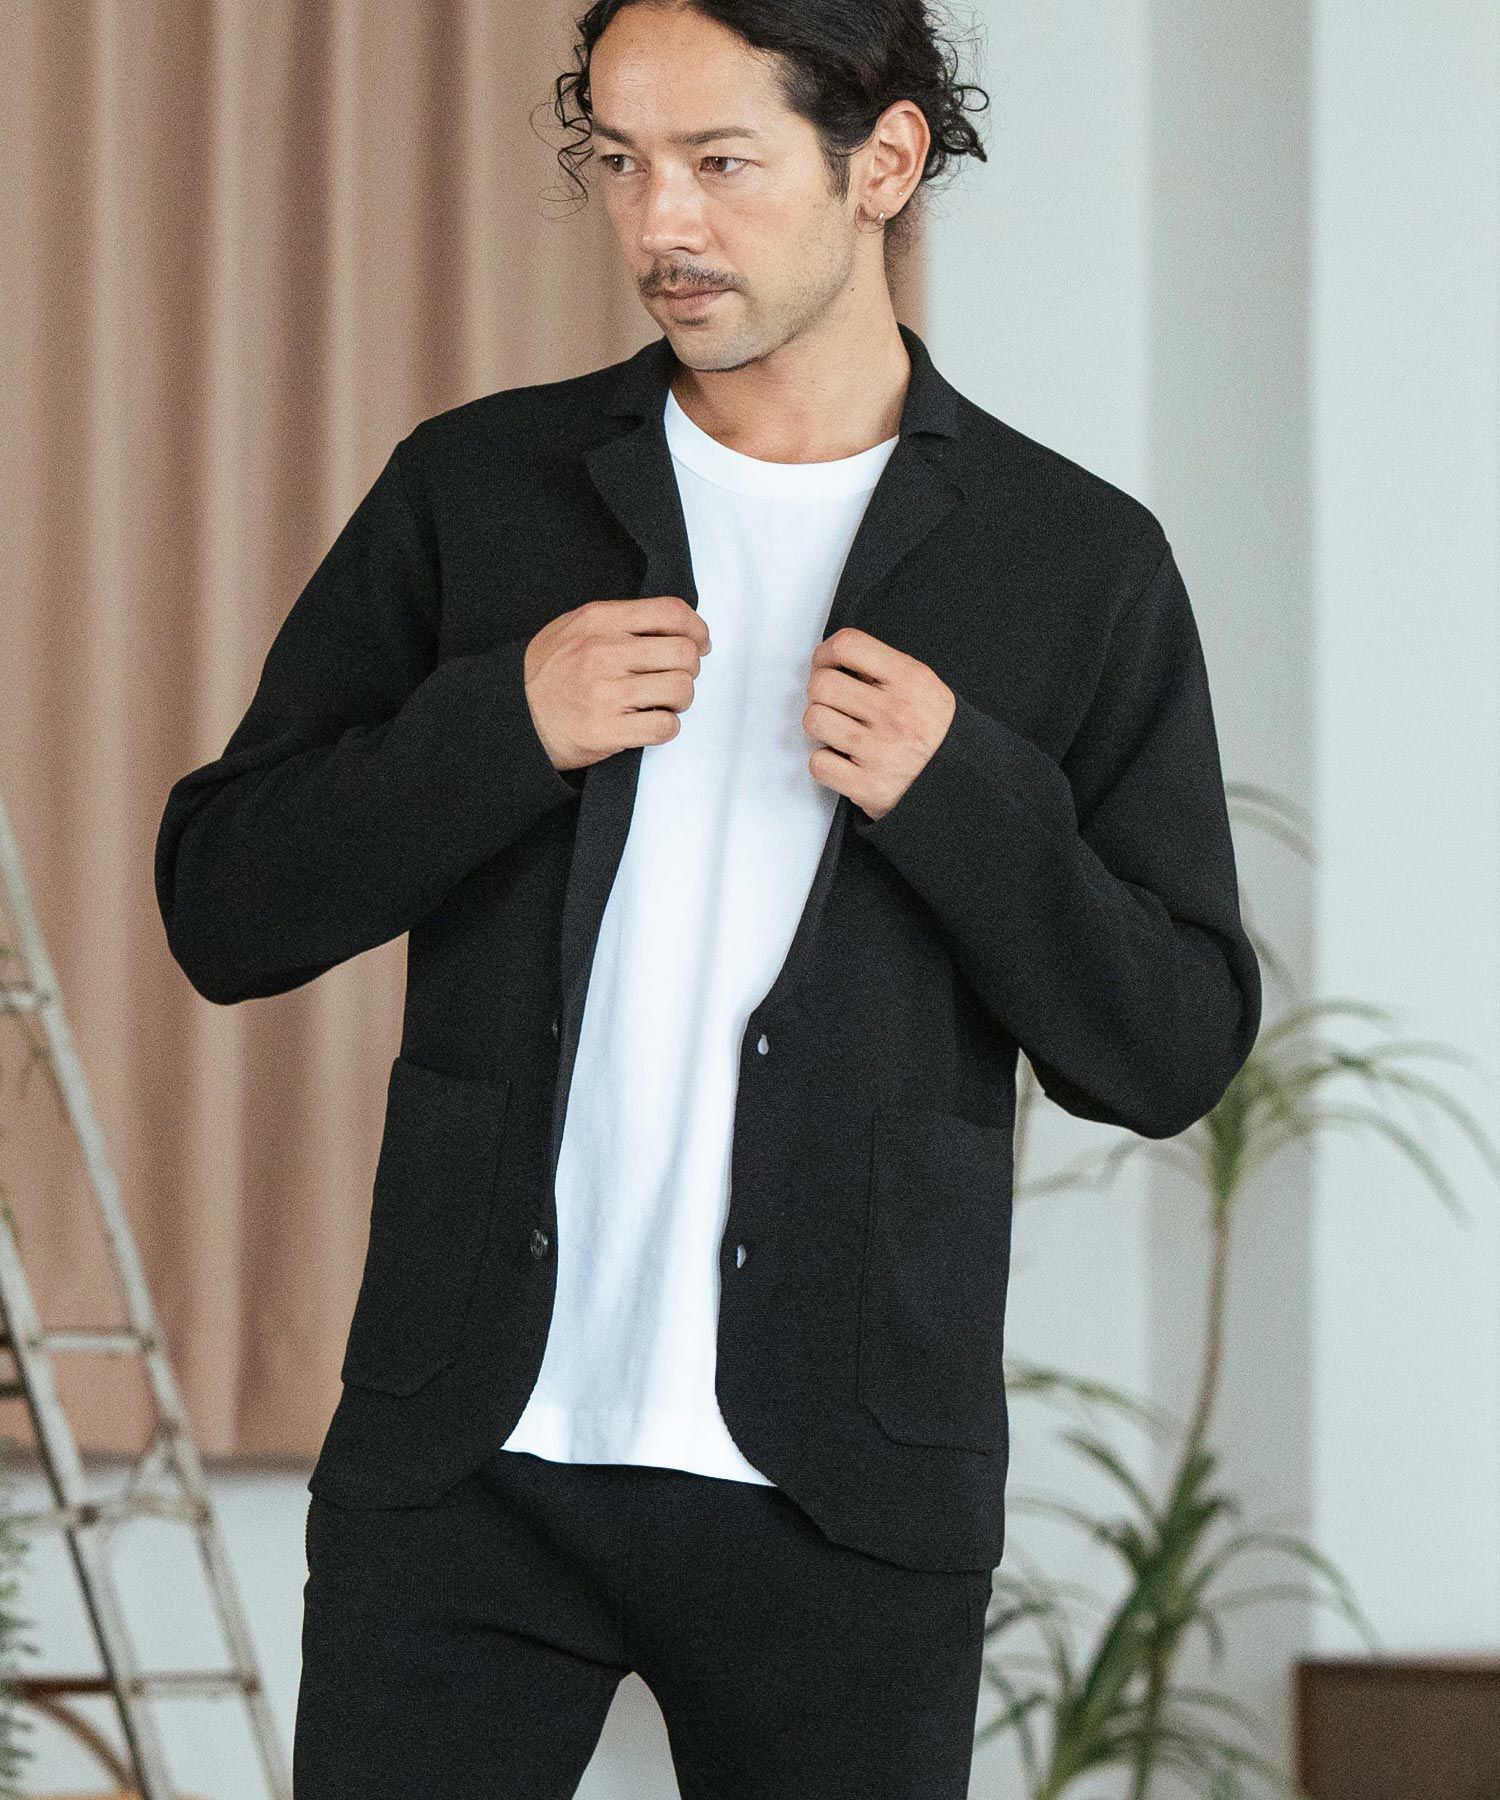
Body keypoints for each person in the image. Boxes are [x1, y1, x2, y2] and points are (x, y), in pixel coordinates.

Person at [154, 3, 1261, 1795]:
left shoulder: (1075, 562)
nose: (660, 221)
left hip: (849, 1486)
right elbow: (225, 904)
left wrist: (965, 799)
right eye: (620, 160)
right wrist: (498, 728)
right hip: (471, 1461)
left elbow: (1172, 1047)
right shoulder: (478, 491)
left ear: (883, 162)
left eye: (721, 163)